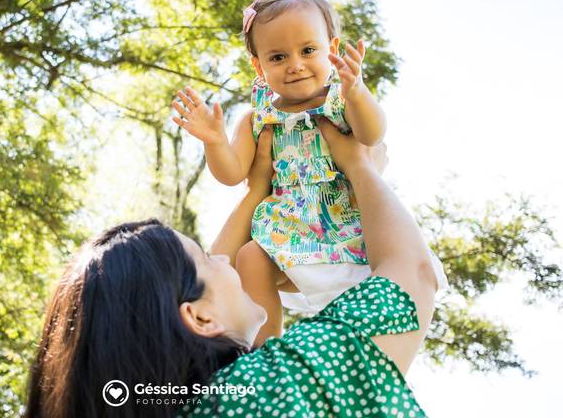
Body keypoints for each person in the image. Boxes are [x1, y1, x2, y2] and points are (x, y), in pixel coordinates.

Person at [25, 119, 437, 417]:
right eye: (206, 259)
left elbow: (212, 292)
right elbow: (411, 276)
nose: (224, 256)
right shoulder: (260, 393)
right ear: (198, 317)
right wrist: (360, 168)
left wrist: (257, 191)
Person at [172, 0, 388, 346]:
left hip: (345, 222)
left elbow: (372, 133)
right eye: (277, 56)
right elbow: (232, 173)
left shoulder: (341, 100)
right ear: (259, 66)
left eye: (308, 50)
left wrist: (358, 92)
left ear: (331, 50)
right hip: (287, 227)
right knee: (249, 255)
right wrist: (214, 141)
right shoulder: (257, 116)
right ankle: (264, 347)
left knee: (363, 308)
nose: (295, 65)